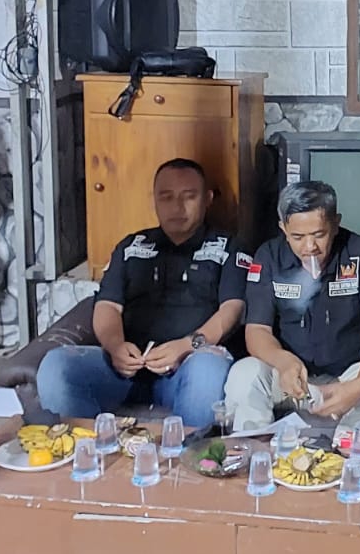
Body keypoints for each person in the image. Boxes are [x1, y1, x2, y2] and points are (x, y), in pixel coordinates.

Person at [36, 159, 247, 430]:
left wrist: (187, 345)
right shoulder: (131, 246)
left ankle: (190, 450)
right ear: (153, 200)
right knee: (55, 364)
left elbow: (232, 309)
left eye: (189, 196)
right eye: (166, 197)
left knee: (209, 368)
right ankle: (84, 446)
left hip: (190, 362)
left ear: (207, 199)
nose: (177, 207)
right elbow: (107, 305)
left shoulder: (228, 248)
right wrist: (115, 346)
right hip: (124, 366)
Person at [223, 180, 360, 436]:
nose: (310, 247)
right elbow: (257, 330)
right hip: (290, 377)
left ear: (335, 223)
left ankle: (350, 455)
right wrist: (283, 362)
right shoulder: (269, 256)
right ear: (283, 229)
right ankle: (256, 451)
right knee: (243, 373)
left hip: (348, 373)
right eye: (298, 237)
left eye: (319, 235)